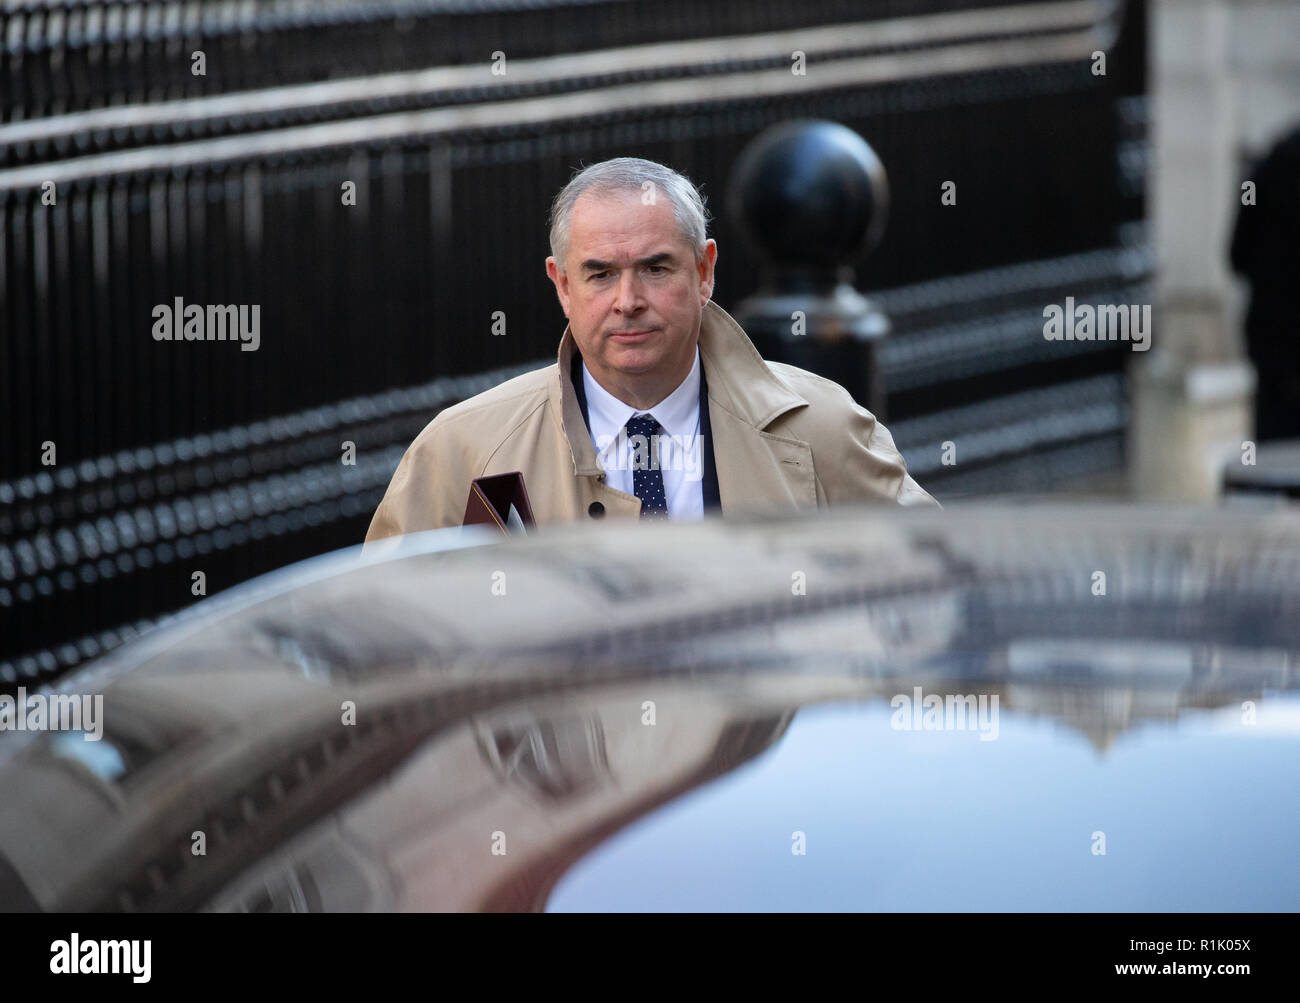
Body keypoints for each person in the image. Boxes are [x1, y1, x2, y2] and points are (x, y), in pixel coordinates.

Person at [364, 156, 935, 546]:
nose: (628, 300)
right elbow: (382, 649)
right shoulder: (465, 451)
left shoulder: (820, 429)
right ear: (561, 284)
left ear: (705, 270)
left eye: (655, 268)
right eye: (600, 274)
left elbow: (942, 593)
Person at [1231, 124, 1300, 442]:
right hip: (1276, 337)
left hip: (1273, 339)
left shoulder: (1268, 166)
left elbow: (1237, 256)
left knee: (1274, 446)